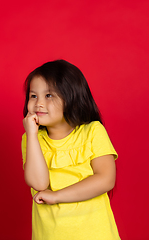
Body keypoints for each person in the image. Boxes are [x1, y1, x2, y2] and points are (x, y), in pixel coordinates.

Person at [21, 60, 120, 240]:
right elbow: (39, 184)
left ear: (72, 97)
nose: (38, 103)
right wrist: (32, 136)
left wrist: (57, 196)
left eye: (49, 95)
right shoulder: (32, 139)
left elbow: (106, 179)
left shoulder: (92, 131)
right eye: (33, 96)